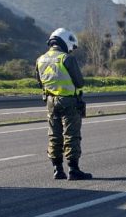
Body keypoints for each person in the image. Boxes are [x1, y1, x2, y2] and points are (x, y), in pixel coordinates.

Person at [36, 28, 92, 180]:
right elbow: (79, 82)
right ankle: (73, 170)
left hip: (50, 102)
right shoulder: (66, 58)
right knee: (71, 135)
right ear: (65, 42)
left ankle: (57, 170)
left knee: (54, 136)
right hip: (69, 101)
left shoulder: (40, 59)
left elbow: (40, 82)